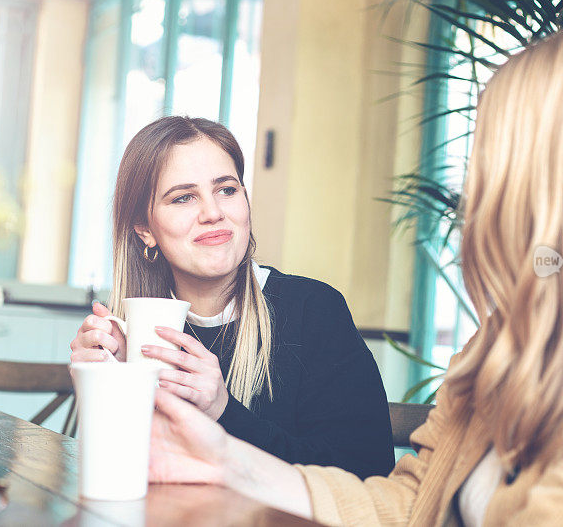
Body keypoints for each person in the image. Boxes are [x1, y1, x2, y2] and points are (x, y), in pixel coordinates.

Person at [145, 26, 563, 525]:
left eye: (489, 155)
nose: (473, 189)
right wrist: (222, 457)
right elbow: (411, 504)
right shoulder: (510, 342)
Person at [69, 116, 395, 480]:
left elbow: (367, 476)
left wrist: (224, 412)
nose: (213, 213)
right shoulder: (135, 332)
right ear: (145, 229)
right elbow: (119, 475)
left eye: (226, 190)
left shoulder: (315, 310)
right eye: (184, 197)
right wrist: (104, 386)